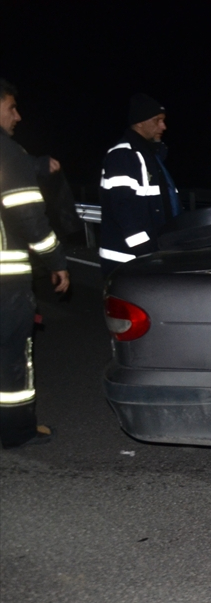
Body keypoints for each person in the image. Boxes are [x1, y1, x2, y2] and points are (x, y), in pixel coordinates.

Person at [0, 79, 70, 448]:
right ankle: (15, 431)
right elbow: (29, 217)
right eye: (11, 107)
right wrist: (55, 259)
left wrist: (36, 164)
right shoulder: (7, 152)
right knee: (12, 357)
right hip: (5, 283)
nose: (18, 115)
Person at [99, 93, 180, 275]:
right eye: (157, 120)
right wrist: (147, 254)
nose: (163, 126)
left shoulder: (150, 156)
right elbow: (124, 210)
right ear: (140, 122)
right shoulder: (123, 156)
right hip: (127, 261)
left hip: (149, 257)